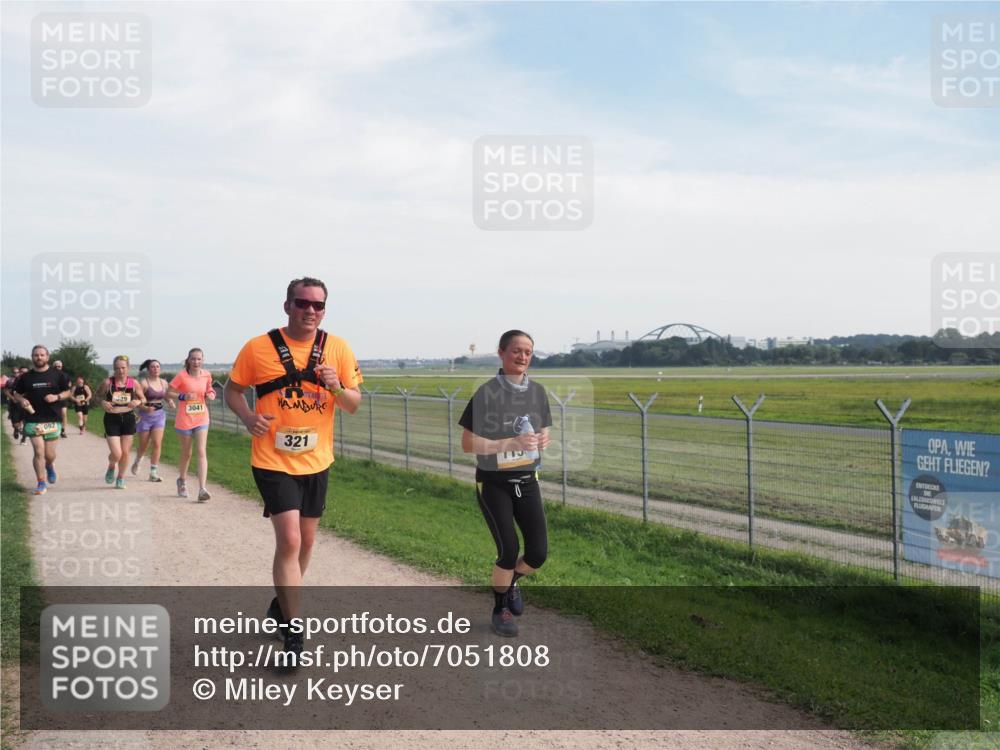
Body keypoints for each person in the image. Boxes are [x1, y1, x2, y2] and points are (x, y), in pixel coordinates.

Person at [225, 277, 362, 657]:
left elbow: (353, 404)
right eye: (303, 303)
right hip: (272, 459)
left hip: (317, 461)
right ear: (287, 306)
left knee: (307, 542)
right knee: (290, 540)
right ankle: (294, 631)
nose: (310, 311)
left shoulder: (338, 349)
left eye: (318, 305)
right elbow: (232, 391)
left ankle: (281, 606)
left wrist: (336, 386)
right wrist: (248, 417)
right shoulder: (258, 348)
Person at [459, 330, 552, 637]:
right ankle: (502, 609)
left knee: (537, 553)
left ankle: (510, 582)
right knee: (509, 549)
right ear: (501, 353)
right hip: (494, 483)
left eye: (528, 352)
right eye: (516, 351)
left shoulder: (537, 392)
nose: (522, 356)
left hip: (527, 480)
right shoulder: (486, 393)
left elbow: (544, 433)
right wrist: (509, 442)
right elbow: (468, 443)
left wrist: (542, 438)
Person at [11, 346, 73, 495]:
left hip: (52, 418)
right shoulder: (26, 377)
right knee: (38, 452)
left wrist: (56, 397)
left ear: (47, 357)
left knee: (49, 455)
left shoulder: (58, 375)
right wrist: (22, 400)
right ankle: (40, 482)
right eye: (36, 355)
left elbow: (68, 392)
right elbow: (16, 393)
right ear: (32, 357)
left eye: (42, 355)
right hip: (33, 418)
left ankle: (50, 466)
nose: (39, 357)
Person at [167, 348, 215, 502]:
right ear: (188, 360)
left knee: (201, 451)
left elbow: (210, 388)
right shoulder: (181, 376)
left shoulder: (206, 374)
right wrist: (183, 396)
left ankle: (202, 489)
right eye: (193, 359)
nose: (196, 362)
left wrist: (211, 394)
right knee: (187, 453)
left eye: (199, 359)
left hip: (202, 417)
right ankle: (181, 480)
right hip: (185, 419)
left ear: (203, 360)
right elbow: (168, 393)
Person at [99, 355, 145, 490]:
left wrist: (138, 401)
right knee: (117, 453)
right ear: (114, 369)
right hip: (112, 418)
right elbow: (97, 397)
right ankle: (112, 465)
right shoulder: (108, 383)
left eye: (123, 368)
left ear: (128, 368)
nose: (120, 371)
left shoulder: (134, 383)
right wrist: (103, 402)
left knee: (125, 452)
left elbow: (144, 398)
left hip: (128, 418)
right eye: (117, 368)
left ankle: (120, 478)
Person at [132, 359, 173, 482]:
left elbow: (165, 395)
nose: (155, 369)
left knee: (157, 443)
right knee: (144, 445)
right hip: (145, 416)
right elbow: (135, 401)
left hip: (159, 416)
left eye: (157, 366)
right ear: (149, 369)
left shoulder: (164, 382)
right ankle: (138, 460)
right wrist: (145, 407)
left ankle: (153, 472)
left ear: (160, 369)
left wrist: (170, 401)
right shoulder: (143, 384)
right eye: (153, 367)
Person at [53, 360, 69, 438]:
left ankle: (63, 430)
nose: (57, 368)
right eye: (56, 366)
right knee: (55, 414)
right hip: (53, 397)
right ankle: (54, 429)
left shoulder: (65, 375)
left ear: (61, 367)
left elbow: (69, 385)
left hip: (62, 396)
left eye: (59, 366)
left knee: (64, 413)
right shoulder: (50, 375)